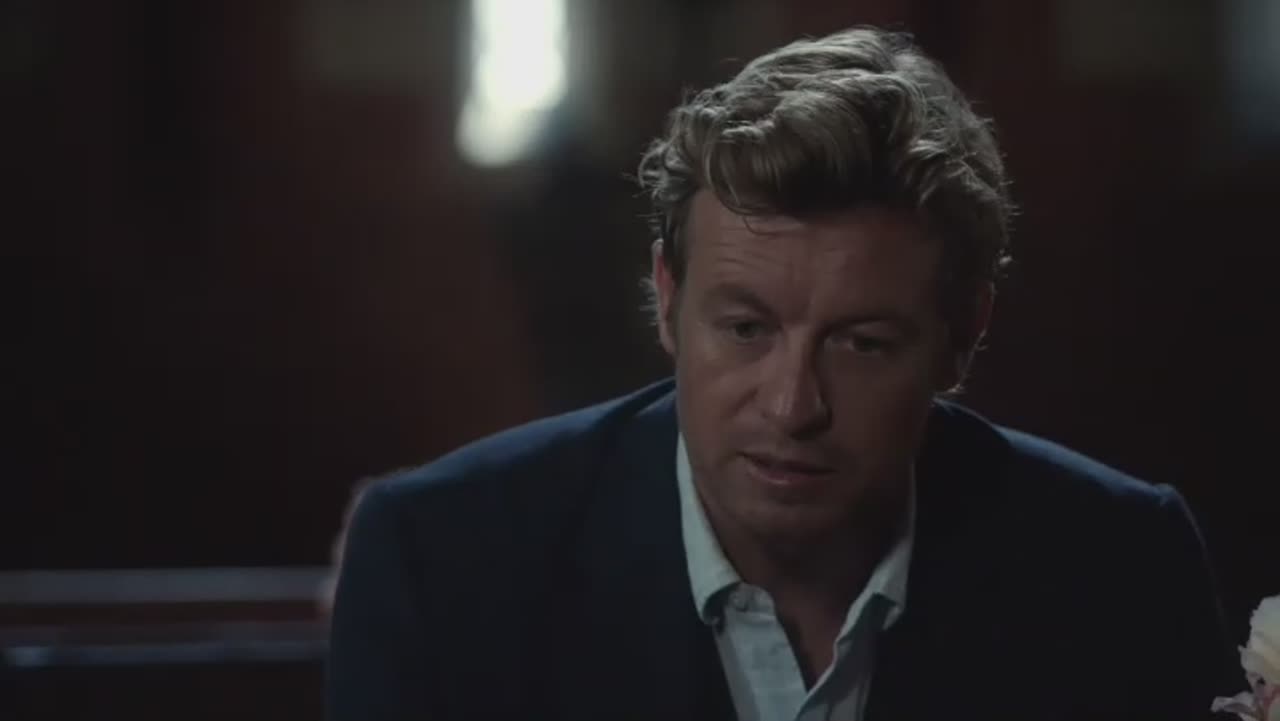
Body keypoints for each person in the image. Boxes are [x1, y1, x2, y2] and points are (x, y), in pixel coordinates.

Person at [326, 26, 1234, 721]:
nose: (793, 405)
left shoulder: (1118, 567)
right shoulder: (442, 563)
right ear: (667, 298)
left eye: (861, 343)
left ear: (962, 336)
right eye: (746, 328)